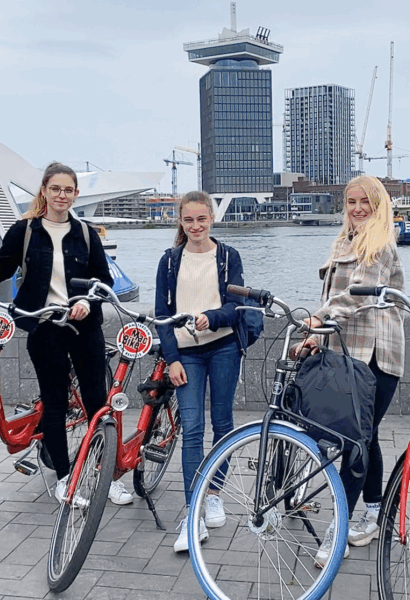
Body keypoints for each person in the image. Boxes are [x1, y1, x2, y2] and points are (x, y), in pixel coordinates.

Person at [0, 162, 133, 506]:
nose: (61, 195)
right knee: (53, 403)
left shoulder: (86, 233)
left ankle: (105, 473)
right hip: (43, 326)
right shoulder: (25, 231)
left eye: (68, 190)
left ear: (75, 194)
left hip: (84, 327)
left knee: (97, 402)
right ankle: (66, 479)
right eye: (55, 189)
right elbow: (1, 265)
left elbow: (104, 280)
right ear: (44, 191)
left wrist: (86, 299)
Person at [300, 175, 405, 569]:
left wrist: (319, 319)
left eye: (365, 202)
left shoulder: (379, 244)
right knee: (364, 437)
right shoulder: (343, 240)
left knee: (354, 441)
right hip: (345, 351)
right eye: (351, 201)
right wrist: (317, 333)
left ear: (379, 205)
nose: (357, 208)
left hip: (376, 354)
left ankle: (339, 528)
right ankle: (375, 510)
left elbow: (357, 295)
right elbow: (331, 297)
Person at [154, 191, 244, 553]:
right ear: (180, 221)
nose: (195, 226)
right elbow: (162, 313)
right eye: (188, 220)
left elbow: (237, 305)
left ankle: (215, 494)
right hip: (185, 353)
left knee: (222, 422)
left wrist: (213, 317)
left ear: (211, 219)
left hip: (222, 346)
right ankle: (192, 513)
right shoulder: (170, 261)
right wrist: (171, 358)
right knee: (192, 428)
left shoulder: (227, 256)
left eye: (201, 219)